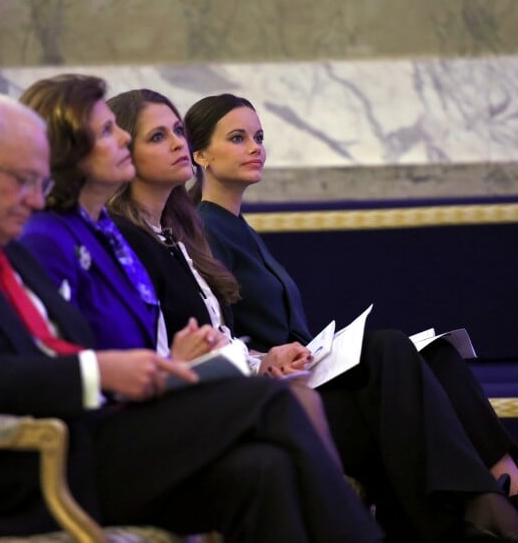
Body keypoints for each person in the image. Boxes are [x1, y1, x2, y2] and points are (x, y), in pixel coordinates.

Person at [0, 90, 386, 543]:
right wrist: (97, 372)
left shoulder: (14, 255)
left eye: (39, 183)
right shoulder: (40, 240)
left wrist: (149, 371)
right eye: (22, 180)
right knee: (272, 400)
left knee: (264, 470)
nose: (32, 199)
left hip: (93, 432)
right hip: (31, 465)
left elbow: (54, 349)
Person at [184, 92, 518, 543]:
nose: (255, 147)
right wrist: (268, 355)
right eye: (238, 138)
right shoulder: (201, 228)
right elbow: (219, 334)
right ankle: (485, 505)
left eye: (258, 136)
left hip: (308, 370)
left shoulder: (240, 227)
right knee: (388, 345)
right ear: (201, 154)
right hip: (281, 388)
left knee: (438, 357)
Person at [104, 88, 341, 467]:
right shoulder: (127, 239)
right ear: (124, 155)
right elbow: (153, 348)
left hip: (226, 381)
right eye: (158, 137)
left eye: (178, 131)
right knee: (302, 402)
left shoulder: (176, 235)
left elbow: (221, 337)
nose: (178, 143)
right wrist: (249, 361)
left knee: (390, 359)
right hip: (175, 403)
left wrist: (263, 359)